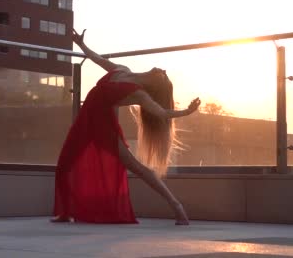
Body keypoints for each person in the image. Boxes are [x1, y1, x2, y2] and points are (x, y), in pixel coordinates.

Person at [52, 29, 201, 225]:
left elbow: (162, 113)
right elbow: (97, 59)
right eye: (164, 72)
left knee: (137, 168)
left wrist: (186, 112)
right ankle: (66, 212)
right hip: (85, 123)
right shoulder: (123, 69)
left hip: (105, 128)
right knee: (65, 164)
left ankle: (177, 206)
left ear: (156, 86)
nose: (163, 71)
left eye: (164, 76)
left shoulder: (139, 94)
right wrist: (81, 45)